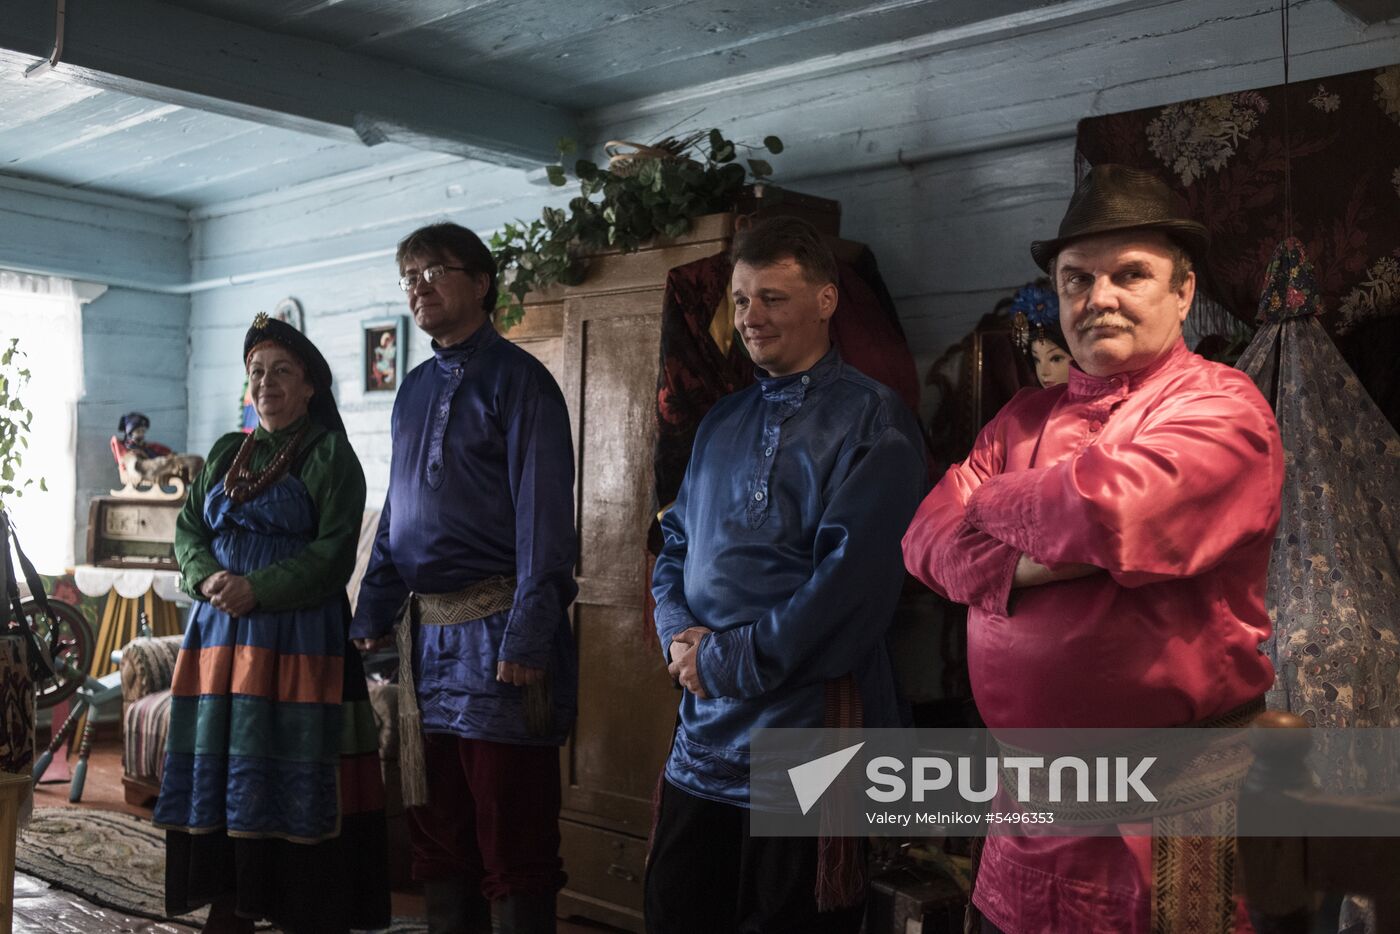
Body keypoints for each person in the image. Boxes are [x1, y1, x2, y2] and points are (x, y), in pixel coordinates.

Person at [901, 164, 1284, 933]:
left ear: (1182, 293)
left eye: (1129, 275)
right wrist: (1031, 560)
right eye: (1077, 279)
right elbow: (925, 540)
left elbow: (1114, 512)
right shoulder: (1020, 417)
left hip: (1160, 813)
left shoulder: (1223, 405)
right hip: (1026, 812)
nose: (1097, 297)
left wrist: (993, 501)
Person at [647, 216, 927, 933]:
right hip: (702, 726)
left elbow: (851, 590)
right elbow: (673, 544)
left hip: (808, 730)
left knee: (787, 922)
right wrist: (679, 635)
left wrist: (727, 660)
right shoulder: (720, 421)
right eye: (740, 301)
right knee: (677, 912)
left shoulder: (874, 420)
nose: (750, 317)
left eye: (772, 297)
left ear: (827, 301)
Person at [350, 222, 577, 934]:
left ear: (480, 283)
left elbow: (546, 526)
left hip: (500, 638)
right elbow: (399, 511)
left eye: (434, 270)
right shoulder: (413, 389)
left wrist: (529, 637)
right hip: (427, 647)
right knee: (436, 832)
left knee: (511, 833)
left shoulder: (523, 383)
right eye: (408, 275)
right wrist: (371, 611)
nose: (418, 285)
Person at [158, 314, 389, 934]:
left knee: (290, 763)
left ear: (310, 384)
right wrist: (209, 579)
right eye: (257, 372)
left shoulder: (330, 456)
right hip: (218, 639)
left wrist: (254, 588)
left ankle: (300, 906)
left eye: (281, 371)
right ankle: (231, 896)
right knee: (226, 763)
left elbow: (334, 553)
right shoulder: (227, 452)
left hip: (296, 642)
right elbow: (187, 531)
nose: (266, 383)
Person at [1008, 280, 1073, 387]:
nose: (1044, 372)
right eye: (1036, 360)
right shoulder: (1027, 401)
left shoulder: (1102, 403)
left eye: (1056, 359)